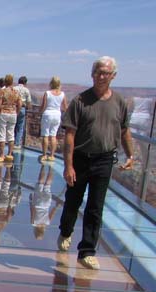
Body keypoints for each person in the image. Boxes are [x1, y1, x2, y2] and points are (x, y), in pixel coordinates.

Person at [57, 56, 134, 270]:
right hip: (81, 159)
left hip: (105, 159)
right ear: (92, 74)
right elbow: (70, 135)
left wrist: (130, 155)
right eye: (98, 72)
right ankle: (65, 231)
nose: (101, 76)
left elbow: (125, 130)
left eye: (106, 73)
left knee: (95, 206)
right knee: (73, 200)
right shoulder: (80, 101)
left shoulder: (119, 102)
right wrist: (68, 165)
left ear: (113, 76)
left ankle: (87, 251)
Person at [39, 76, 67, 162]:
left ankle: (44, 155)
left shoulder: (47, 93)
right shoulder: (62, 94)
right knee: (53, 135)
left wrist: (40, 112)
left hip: (48, 114)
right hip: (57, 115)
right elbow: (65, 107)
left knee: (45, 135)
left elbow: (43, 106)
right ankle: (52, 155)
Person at [0, 74, 21, 163]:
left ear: (5, 81)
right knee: (11, 134)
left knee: (2, 134)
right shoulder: (16, 92)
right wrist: (17, 112)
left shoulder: (2, 91)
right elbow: (20, 103)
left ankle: (2, 155)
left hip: (3, 113)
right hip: (13, 113)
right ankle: (9, 154)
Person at [14, 76, 32, 149]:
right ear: (25, 83)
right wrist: (28, 107)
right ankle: (17, 143)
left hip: (14, 108)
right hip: (22, 109)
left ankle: (11, 141)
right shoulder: (26, 90)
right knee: (20, 127)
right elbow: (29, 102)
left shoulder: (14, 89)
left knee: (13, 125)